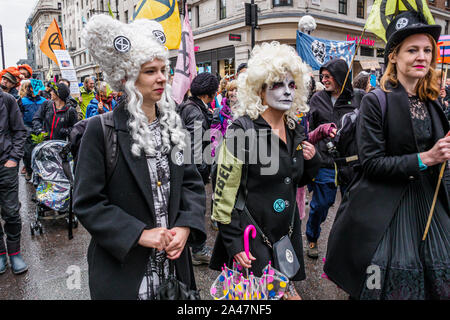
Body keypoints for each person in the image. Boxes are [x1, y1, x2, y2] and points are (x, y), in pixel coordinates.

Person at [73, 15, 206, 300]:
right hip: (125, 272)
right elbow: (87, 203)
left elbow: (192, 184)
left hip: (173, 269)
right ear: (127, 78)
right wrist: (139, 234)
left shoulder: (174, 125)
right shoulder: (100, 130)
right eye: (150, 71)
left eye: (163, 69)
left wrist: (185, 226)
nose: (161, 78)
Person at [324, 11, 450, 300]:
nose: (422, 56)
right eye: (413, 50)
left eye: (428, 50)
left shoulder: (432, 103)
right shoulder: (375, 101)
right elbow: (371, 164)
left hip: (430, 209)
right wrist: (426, 158)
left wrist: (441, 154)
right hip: (385, 217)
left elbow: (440, 159)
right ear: (394, 56)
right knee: (381, 289)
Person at [209, 42, 322, 300]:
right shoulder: (242, 129)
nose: (287, 92)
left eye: (292, 85)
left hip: (285, 233)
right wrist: (234, 241)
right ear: (260, 90)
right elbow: (223, 189)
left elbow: (298, 178)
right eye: (277, 85)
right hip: (252, 237)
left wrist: (313, 159)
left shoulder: (294, 128)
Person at [305, 58, 365, 259]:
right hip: (325, 163)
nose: (324, 80)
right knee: (321, 205)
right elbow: (308, 131)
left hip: (351, 162)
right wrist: (319, 135)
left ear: (340, 76)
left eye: (328, 76)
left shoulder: (359, 98)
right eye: (322, 76)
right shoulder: (317, 99)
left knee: (351, 207)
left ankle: (345, 244)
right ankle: (312, 237)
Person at [177, 72, 219, 266]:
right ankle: (199, 250)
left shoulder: (187, 105)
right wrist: (201, 171)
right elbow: (194, 147)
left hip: (183, 166)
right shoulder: (195, 111)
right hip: (192, 169)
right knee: (195, 206)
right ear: (208, 95)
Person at [0, 85, 28, 275]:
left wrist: (13, 159)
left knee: (10, 212)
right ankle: (1, 254)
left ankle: (15, 253)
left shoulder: (7, 100)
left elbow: (20, 130)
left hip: (5, 165)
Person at [19, 80, 47, 181]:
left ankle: (39, 173)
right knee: (27, 152)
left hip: (40, 128)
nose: (40, 90)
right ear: (31, 89)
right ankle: (28, 170)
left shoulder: (44, 101)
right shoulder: (22, 101)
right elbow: (19, 115)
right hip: (27, 128)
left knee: (41, 152)